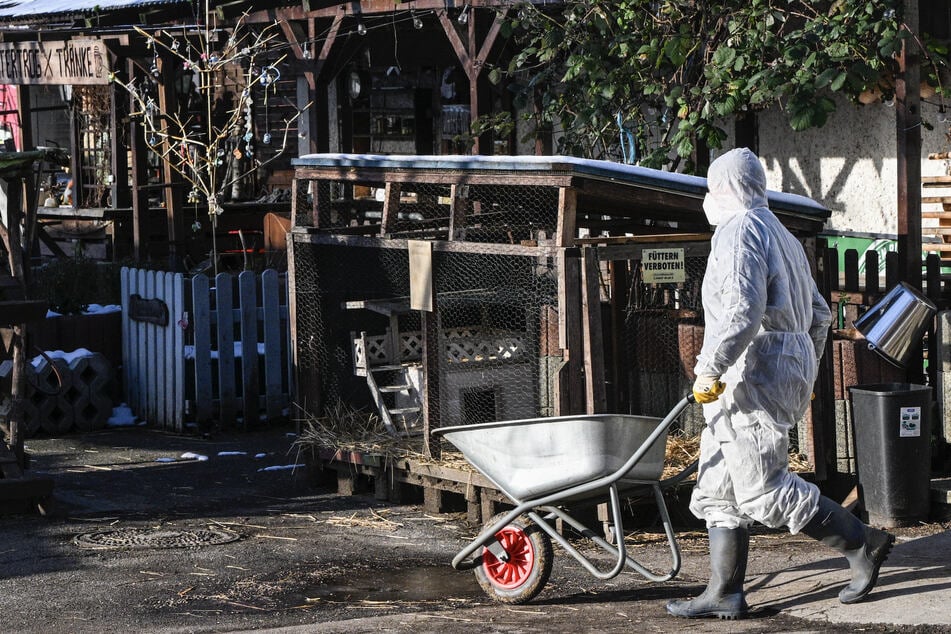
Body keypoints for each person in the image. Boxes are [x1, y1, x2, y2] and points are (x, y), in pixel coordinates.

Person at [666, 148, 895, 620]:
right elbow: (819, 313)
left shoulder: (738, 231)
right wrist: (802, 364)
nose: (709, 199)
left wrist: (709, 368)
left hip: (749, 371)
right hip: (779, 365)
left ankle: (862, 543)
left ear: (724, 188)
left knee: (762, 488)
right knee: (719, 486)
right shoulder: (782, 234)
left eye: (712, 188)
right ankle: (724, 592)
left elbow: (738, 311)